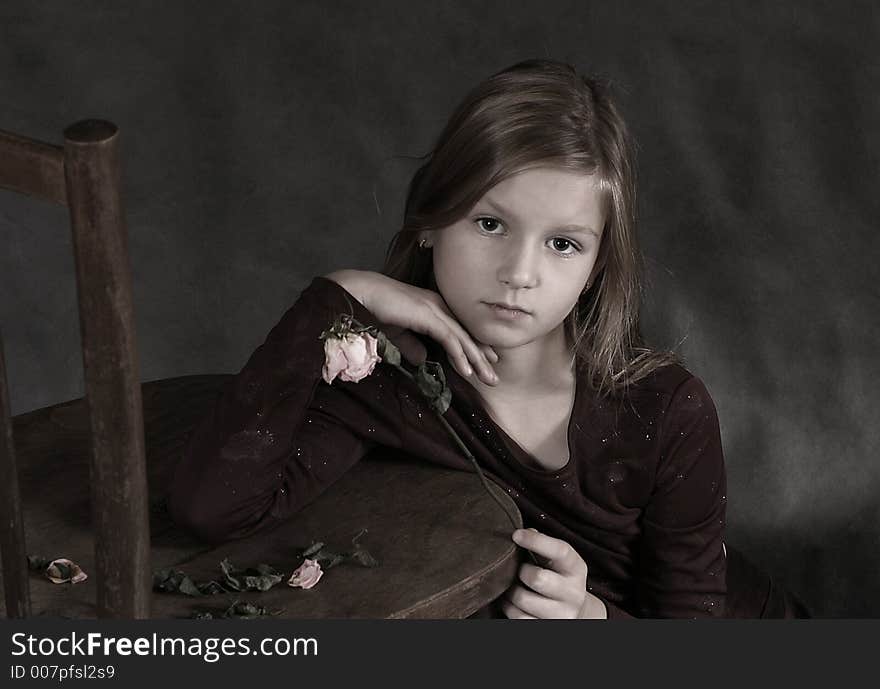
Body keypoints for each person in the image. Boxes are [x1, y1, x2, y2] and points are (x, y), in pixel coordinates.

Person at [168, 59, 728, 619]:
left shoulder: (662, 408)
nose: (519, 272)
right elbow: (213, 509)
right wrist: (338, 296)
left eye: (563, 244)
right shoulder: (383, 378)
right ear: (431, 220)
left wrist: (590, 619)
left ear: (597, 263)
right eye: (490, 224)